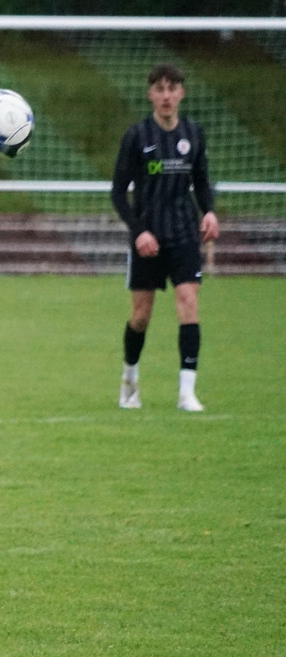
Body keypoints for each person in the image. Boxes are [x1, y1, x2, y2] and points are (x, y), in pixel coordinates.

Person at [111, 62, 220, 412]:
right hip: (148, 238)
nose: (166, 95)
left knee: (189, 303)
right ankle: (130, 379)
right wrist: (139, 231)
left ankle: (187, 392)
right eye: (159, 89)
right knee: (141, 315)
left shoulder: (194, 133)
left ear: (181, 93)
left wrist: (210, 211)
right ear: (151, 95)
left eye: (172, 89)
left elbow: (201, 181)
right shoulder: (137, 137)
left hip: (184, 233)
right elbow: (117, 192)